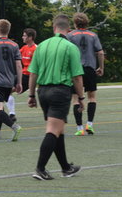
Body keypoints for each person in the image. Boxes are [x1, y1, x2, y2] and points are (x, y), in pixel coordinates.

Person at [28, 14, 84, 180]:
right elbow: (77, 77)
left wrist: (31, 95)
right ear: (69, 30)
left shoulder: (41, 46)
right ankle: (40, 168)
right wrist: (81, 98)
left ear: (54, 28)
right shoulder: (70, 47)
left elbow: (33, 73)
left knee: (58, 130)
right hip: (60, 91)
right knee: (53, 130)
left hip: (43, 92)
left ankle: (66, 167)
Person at [67, 12, 104, 136]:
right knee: (91, 97)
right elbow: (100, 52)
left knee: (76, 98)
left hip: (76, 70)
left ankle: (79, 128)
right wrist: (101, 67)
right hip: (89, 68)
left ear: (75, 23)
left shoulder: (70, 35)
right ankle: (90, 124)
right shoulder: (93, 35)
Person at [19, 28, 38, 93]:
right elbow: (15, 55)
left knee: (11, 88)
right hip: (23, 74)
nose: (22, 37)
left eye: (24, 36)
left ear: (30, 37)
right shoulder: (24, 48)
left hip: (29, 76)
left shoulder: (36, 49)